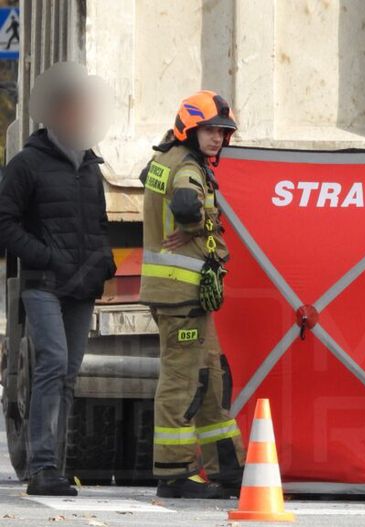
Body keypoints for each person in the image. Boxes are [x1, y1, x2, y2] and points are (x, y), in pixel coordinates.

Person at [0, 62, 116, 496]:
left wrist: (104, 263)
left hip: (82, 286)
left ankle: (50, 466)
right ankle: (44, 465)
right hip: (42, 283)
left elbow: (99, 223)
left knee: (68, 371)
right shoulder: (27, 163)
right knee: (51, 364)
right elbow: (4, 223)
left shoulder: (90, 165)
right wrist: (46, 257)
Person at [139, 90, 246, 499]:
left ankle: (228, 468)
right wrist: (199, 226)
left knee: (211, 377)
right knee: (183, 381)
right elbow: (185, 204)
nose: (217, 138)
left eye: (222, 132)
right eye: (209, 131)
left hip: (182, 296)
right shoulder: (186, 166)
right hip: (179, 295)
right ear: (189, 129)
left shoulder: (163, 159)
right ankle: (174, 472)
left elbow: (151, 186)